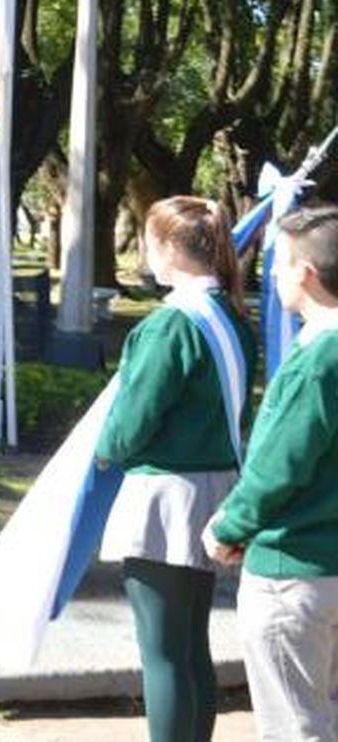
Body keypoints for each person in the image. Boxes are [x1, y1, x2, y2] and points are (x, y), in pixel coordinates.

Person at [93, 197, 254, 742]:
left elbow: (132, 420)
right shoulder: (231, 316)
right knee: (192, 646)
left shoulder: (169, 327)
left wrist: (103, 449)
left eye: (147, 240)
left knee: (160, 652)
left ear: (165, 247)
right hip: (217, 489)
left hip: (165, 494)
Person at [203, 204, 338, 741]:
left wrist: (229, 526)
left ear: (305, 272)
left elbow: (280, 466)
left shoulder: (318, 361)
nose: (273, 275)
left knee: (295, 730)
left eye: (279, 264)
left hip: (294, 570)